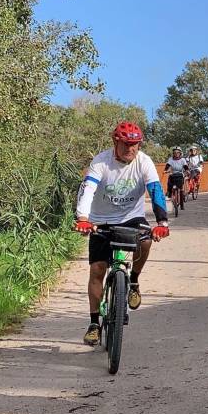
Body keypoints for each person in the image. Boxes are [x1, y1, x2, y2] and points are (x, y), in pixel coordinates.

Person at [74, 121, 170, 346]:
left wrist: (162, 222)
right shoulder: (101, 162)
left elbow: (155, 189)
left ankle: (134, 281)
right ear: (115, 142)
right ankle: (94, 323)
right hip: (100, 220)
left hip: (131, 217)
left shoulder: (144, 162)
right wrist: (83, 219)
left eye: (136, 144)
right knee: (97, 269)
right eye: (126, 144)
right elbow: (88, 189)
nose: (131, 149)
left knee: (146, 241)